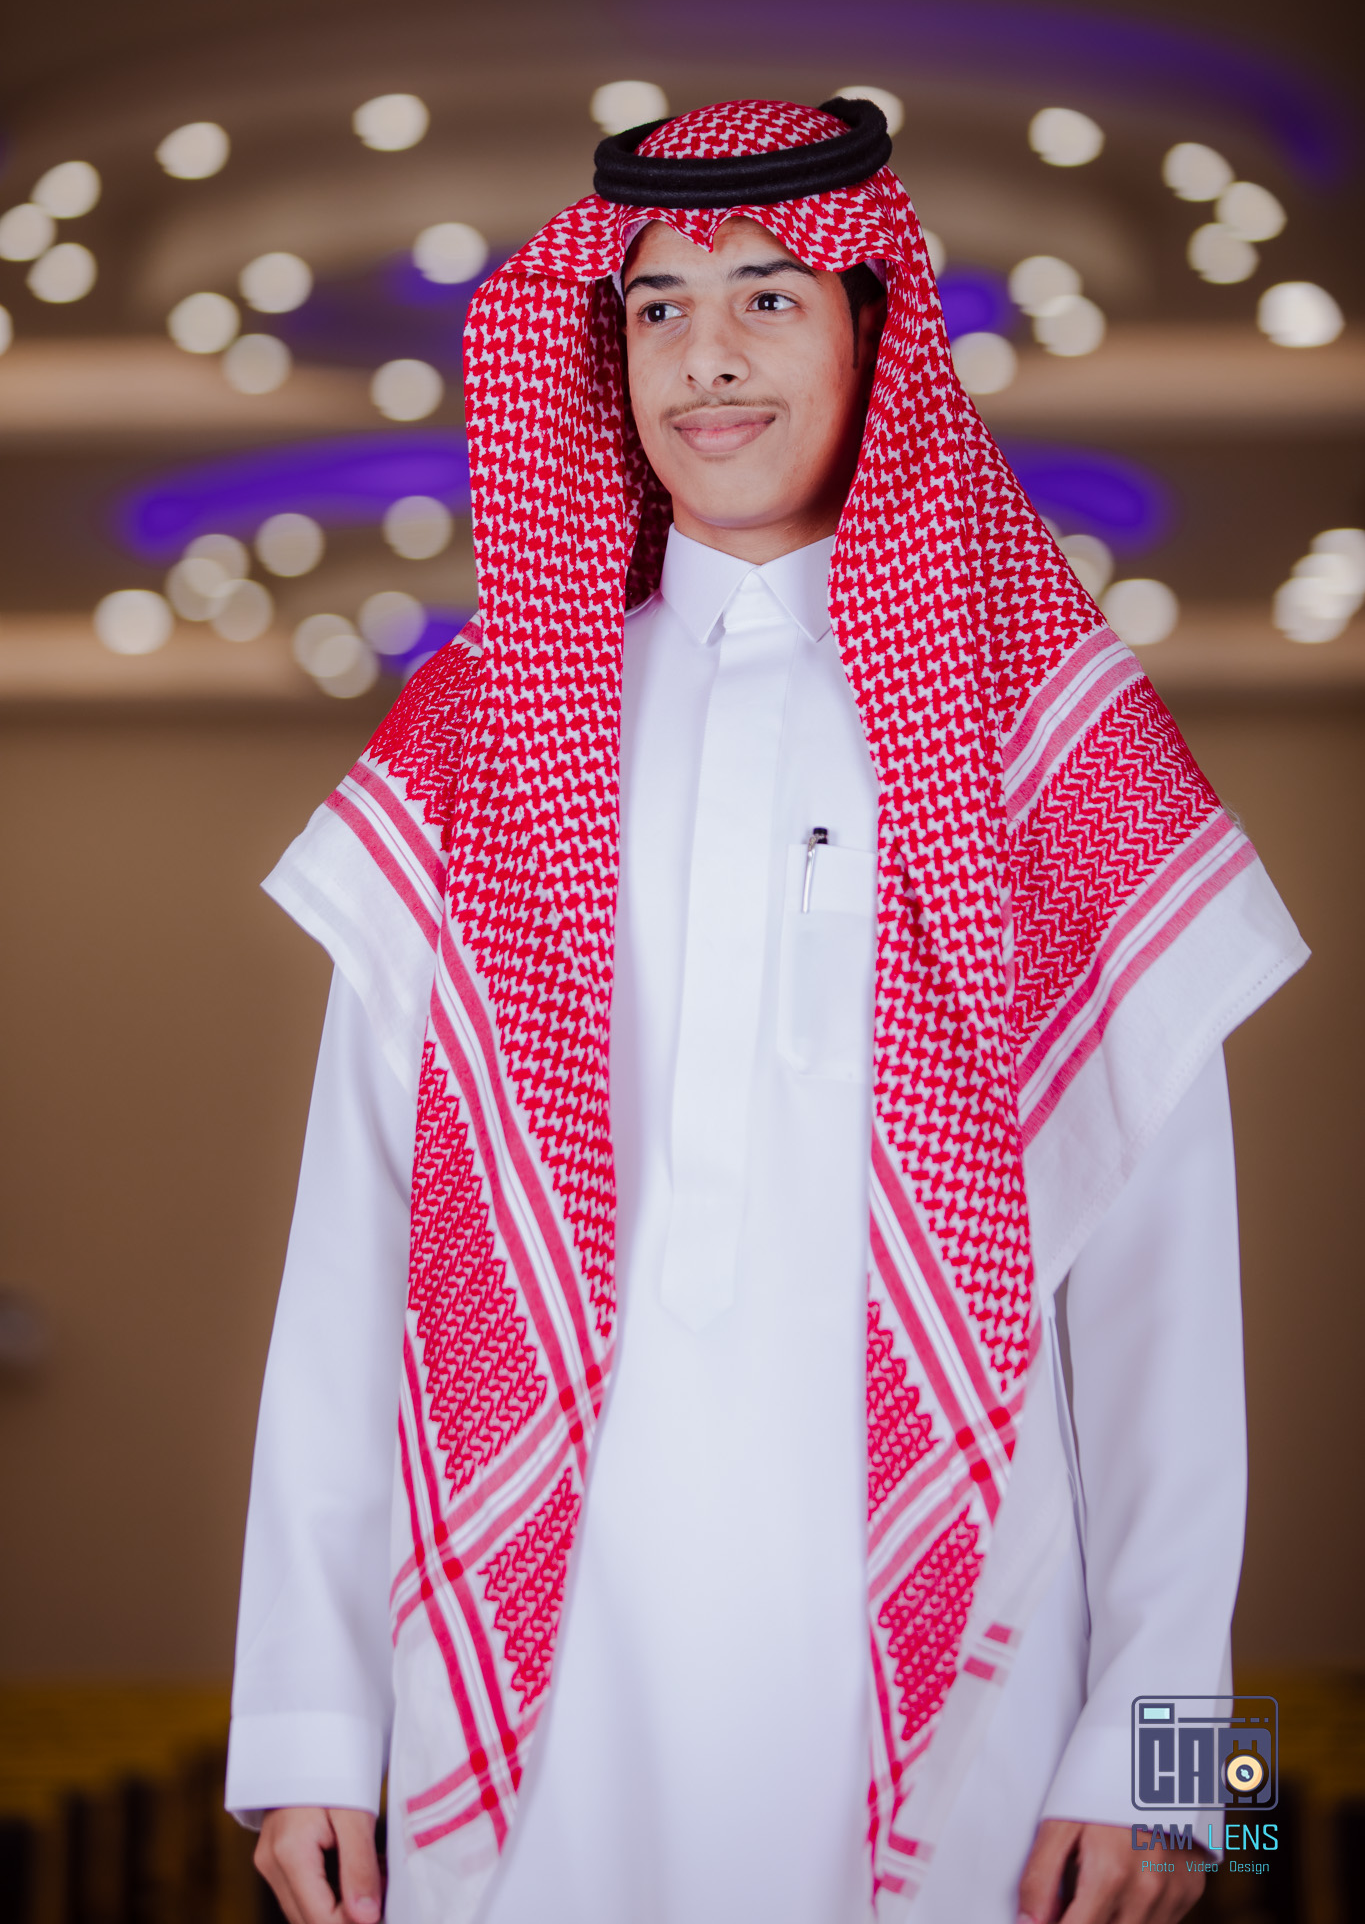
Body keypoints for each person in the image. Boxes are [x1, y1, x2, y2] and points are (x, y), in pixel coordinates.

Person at [226, 98, 1305, 1924]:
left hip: (972, 1686)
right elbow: (352, 1259)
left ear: (877, 334)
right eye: (655, 306)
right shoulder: (481, 737)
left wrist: (1181, 1780)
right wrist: (309, 1729)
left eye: (766, 298)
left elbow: (1171, 1304)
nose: (703, 358)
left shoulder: (1052, 741)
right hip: (531, 1675)